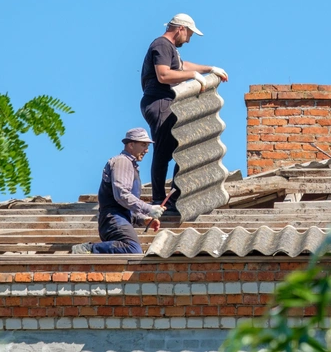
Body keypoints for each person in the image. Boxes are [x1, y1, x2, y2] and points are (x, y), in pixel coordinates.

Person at [140, 13, 228, 213]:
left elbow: (182, 65)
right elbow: (164, 75)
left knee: (184, 145)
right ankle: (159, 200)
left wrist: (209, 69)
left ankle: (175, 195)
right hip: (159, 102)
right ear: (180, 28)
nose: (188, 40)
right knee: (164, 150)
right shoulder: (161, 45)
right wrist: (194, 76)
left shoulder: (169, 49)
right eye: (189, 35)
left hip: (165, 102)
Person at [71, 128, 166, 254]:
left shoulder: (130, 165)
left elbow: (127, 205)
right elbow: (121, 195)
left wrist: (143, 219)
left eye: (147, 146)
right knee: (132, 249)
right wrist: (149, 209)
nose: (147, 150)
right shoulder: (122, 162)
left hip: (120, 218)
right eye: (143, 145)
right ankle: (89, 249)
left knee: (131, 250)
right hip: (114, 218)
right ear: (131, 145)